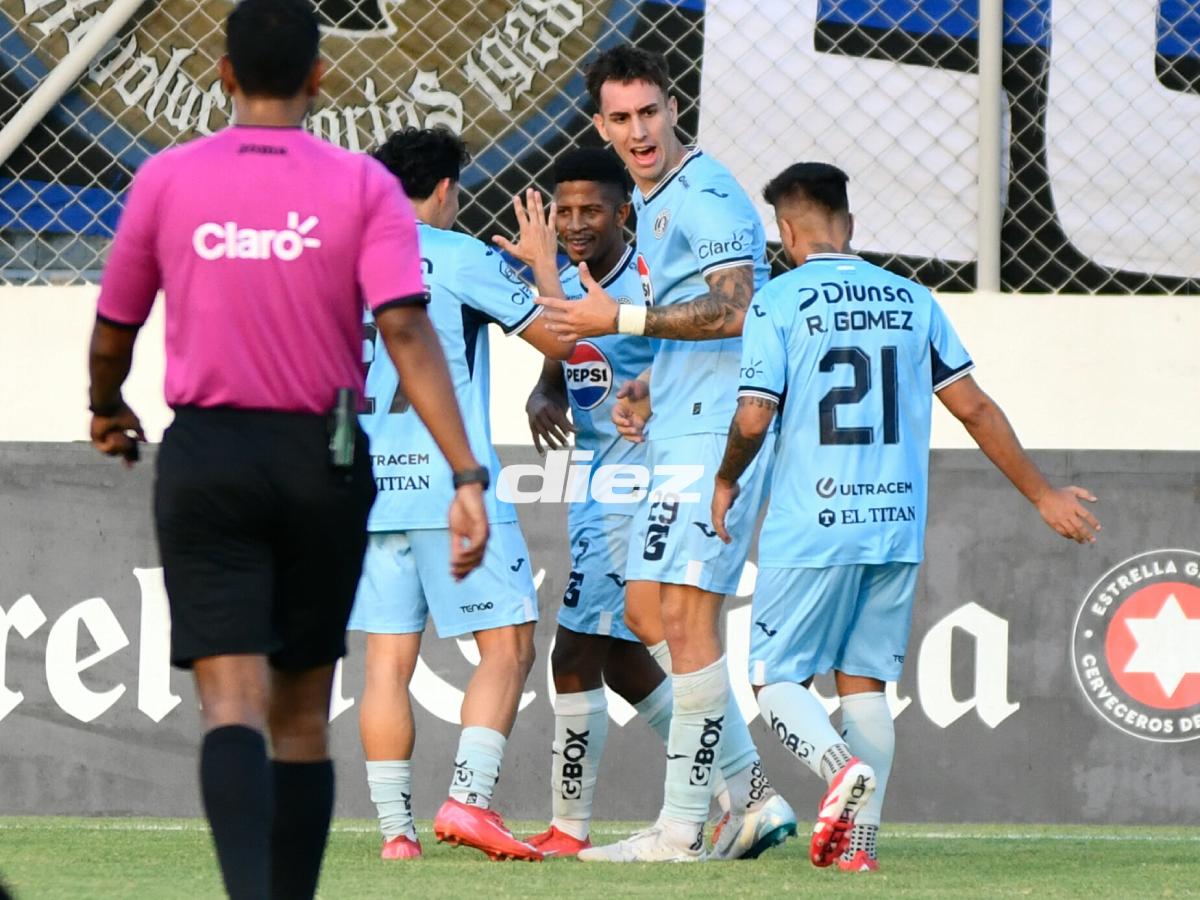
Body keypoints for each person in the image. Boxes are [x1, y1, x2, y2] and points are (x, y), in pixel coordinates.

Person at [86, 2, 488, 898]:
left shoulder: (167, 177)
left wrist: (105, 405)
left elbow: (116, 322)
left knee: (230, 704)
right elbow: (406, 330)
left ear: (224, 75)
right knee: (301, 715)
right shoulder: (363, 185)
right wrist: (466, 473)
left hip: (210, 456)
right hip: (325, 456)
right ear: (319, 77)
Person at [711, 162, 1102, 872]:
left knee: (774, 680)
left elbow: (753, 412)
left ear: (787, 232)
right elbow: (975, 408)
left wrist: (726, 478)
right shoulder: (913, 299)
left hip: (813, 524)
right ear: (849, 226)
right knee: (863, 683)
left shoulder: (779, 300)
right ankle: (859, 847)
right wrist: (1044, 494)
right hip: (894, 523)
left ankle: (837, 770)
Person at [536, 44, 796, 862]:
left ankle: (683, 828)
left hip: (721, 424)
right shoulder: (651, 199)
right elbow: (687, 315)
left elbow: (736, 311)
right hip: (679, 417)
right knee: (647, 612)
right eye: (621, 117)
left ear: (674, 107)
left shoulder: (708, 195)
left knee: (679, 614)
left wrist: (624, 325)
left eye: (650, 112)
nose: (639, 130)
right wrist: (650, 381)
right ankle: (748, 798)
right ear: (600, 123)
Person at [349, 126, 572, 863]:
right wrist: (544, 266)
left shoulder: (346, 263)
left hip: (369, 492)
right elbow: (562, 342)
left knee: (386, 661)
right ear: (446, 190)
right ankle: (469, 802)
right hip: (452, 485)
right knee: (506, 643)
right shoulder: (460, 256)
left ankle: (395, 837)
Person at [520, 147, 676, 857]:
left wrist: (653, 413)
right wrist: (548, 384)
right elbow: (571, 342)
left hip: (630, 499)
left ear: (623, 213)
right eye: (566, 211)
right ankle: (745, 787)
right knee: (621, 662)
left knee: (574, 657)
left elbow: (695, 366)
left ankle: (568, 829)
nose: (576, 223)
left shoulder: (648, 286)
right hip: (595, 490)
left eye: (591, 210)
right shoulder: (578, 283)